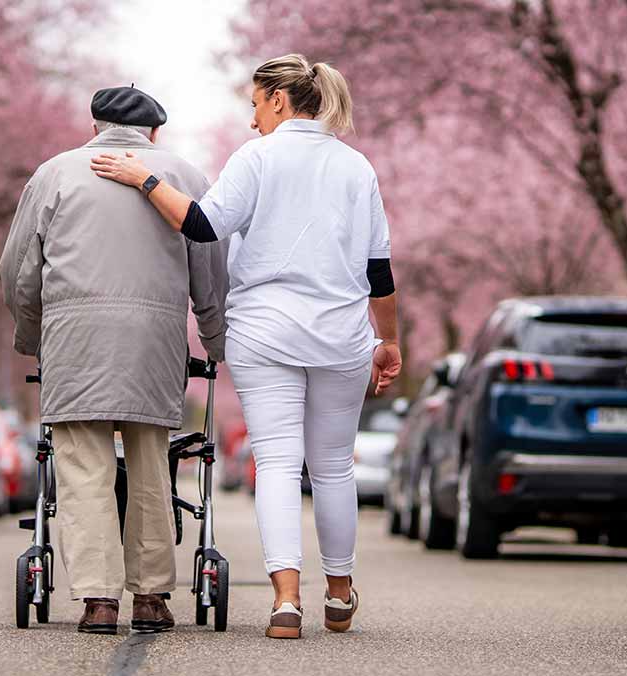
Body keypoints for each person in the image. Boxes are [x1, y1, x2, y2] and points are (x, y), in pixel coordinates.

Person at [91, 54, 402, 639]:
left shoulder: (257, 159)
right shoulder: (356, 167)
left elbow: (203, 225)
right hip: (342, 336)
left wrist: (145, 179)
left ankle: (286, 602)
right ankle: (340, 593)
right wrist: (389, 342)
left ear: (279, 101)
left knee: (279, 464)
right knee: (334, 469)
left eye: (255, 104)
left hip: (266, 331)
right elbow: (380, 272)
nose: (252, 118)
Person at [0, 85, 228, 635]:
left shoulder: (54, 174)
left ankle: (99, 600)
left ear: (95, 124)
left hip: (75, 338)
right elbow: (211, 266)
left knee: (81, 470)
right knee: (152, 463)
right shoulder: (185, 176)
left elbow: (19, 269)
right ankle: (150, 597)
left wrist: (32, 335)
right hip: (154, 340)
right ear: (155, 131)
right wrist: (215, 340)